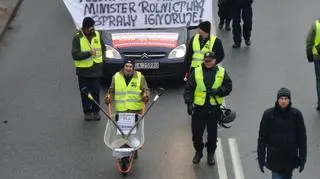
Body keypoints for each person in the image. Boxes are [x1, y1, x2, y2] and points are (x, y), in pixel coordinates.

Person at [184, 52, 232, 165]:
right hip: (199, 109)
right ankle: (199, 152)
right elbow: (189, 89)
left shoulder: (221, 72)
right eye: (206, 61)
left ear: (215, 60)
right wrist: (189, 104)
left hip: (213, 109)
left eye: (210, 61)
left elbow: (228, 86)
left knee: (212, 135)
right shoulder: (196, 72)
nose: (208, 63)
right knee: (196, 134)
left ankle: (210, 154)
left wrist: (219, 91)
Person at [257, 87, 307, 179]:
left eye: (286, 99)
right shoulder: (269, 115)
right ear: (277, 99)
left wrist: (302, 158)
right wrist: (261, 158)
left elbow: (302, 139)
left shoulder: (296, 115)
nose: (283, 101)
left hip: (290, 160)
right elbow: (262, 138)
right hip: (275, 160)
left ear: (289, 100)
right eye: (281, 98)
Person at [71, 17, 106, 121]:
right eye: (90, 27)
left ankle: (96, 111)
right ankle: (87, 111)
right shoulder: (78, 37)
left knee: (95, 92)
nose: (92, 29)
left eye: (93, 26)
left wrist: (102, 61)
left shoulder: (97, 35)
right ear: (85, 28)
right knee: (85, 93)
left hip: (96, 70)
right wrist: (88, 53)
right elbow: (75, 54)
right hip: (83, 71)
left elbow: (103, 49)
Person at [306, 18, 320, 111]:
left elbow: (309, 41)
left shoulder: (316, 25)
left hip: (318, 57)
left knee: (319, 80)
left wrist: (309, 55)